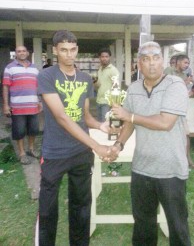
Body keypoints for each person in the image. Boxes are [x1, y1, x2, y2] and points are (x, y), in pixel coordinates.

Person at [36, 30, 114, 246]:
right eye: (63, 50)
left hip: (80, 152)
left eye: (72, 49)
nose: (69, 54)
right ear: (55, 50)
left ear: (77, 49)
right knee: (48, 210)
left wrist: (101, 126)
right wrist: (97, 145)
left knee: (81, 206)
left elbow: (84, 116)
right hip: (55, 152)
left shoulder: (85, 78)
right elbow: (61, 117)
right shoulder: (46, 76)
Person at [110, 41, 191, 246]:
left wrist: (131, 115)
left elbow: (165, 122)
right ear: (139, 64)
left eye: (156, 57)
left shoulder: (175, 85)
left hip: (170, 170)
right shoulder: (135, 88)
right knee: (143, 226)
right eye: (146, 59)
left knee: (178, 226)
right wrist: (118, 145)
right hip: (142, 169)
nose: (151, 63)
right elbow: (128, 122)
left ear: (162, 61)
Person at [2, 45, 41, 165]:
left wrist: (39, 101)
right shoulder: (9, 68)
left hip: (33, 106)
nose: (22, 53)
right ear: (16, 54)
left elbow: (38, 86)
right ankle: (22, 153)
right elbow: (5, 87)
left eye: (24, 51)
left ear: (27, 53)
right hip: (17, 107)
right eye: (19, 51)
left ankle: (31, 149)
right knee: (19, 131)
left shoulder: (34, 68)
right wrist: (6, 105)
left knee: (34, 129)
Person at [164, 54, 194, 170]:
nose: (187, 65)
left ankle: (188, 160)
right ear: (178, 62)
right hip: (167, 110)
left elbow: (181, 92)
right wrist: (185, 82)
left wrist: (191, 92)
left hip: (180, 110)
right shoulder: (169, 70)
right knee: (168, 136)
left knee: (186, 135)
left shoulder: (185, 74)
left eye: (188, 63)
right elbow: (168, 88)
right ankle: (170, 162)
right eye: (185, 62)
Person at [94, 48, 119, 122]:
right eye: (102, 56)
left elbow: (116, 87)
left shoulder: (113, 70)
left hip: (107, 103)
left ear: (109, 57)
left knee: (105, 124)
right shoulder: (100, 69)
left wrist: (114, 104)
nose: (104, 58)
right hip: (99, 101)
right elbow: (99, 85)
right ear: (99, 58)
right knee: (100, 125)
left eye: (106, 56)